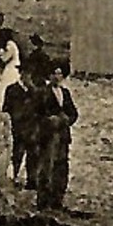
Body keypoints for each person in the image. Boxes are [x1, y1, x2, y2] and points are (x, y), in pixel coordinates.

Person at [33, 63, 78, 212]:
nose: (57, 77)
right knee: (46, 167)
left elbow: (73, 113)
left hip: (63, 135)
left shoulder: (65, 93)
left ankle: (57, 199)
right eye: (54, 74)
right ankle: (43, 201)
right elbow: (36, 114)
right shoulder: (42, 93)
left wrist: (65, 120)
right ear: (49, 76)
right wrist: (49, 120)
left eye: (59, 74)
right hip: (48, 135)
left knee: (61, 167)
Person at [2, 67, 39, 187]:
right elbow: (7, 109)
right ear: (22, 74)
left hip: (32, 128)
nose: (29, 77)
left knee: (32, 154)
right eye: (27, 74)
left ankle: (31, 179)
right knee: (17, 153)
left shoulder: (34, 91)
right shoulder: (12, 90)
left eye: (30, 74)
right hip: (18, 127)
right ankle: (14, 176)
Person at [0, 27, 22, 110]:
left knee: (2, 86)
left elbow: (5, 57)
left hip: (12, 68)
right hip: (12, 68)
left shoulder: (10, 44)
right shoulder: (10, 44)